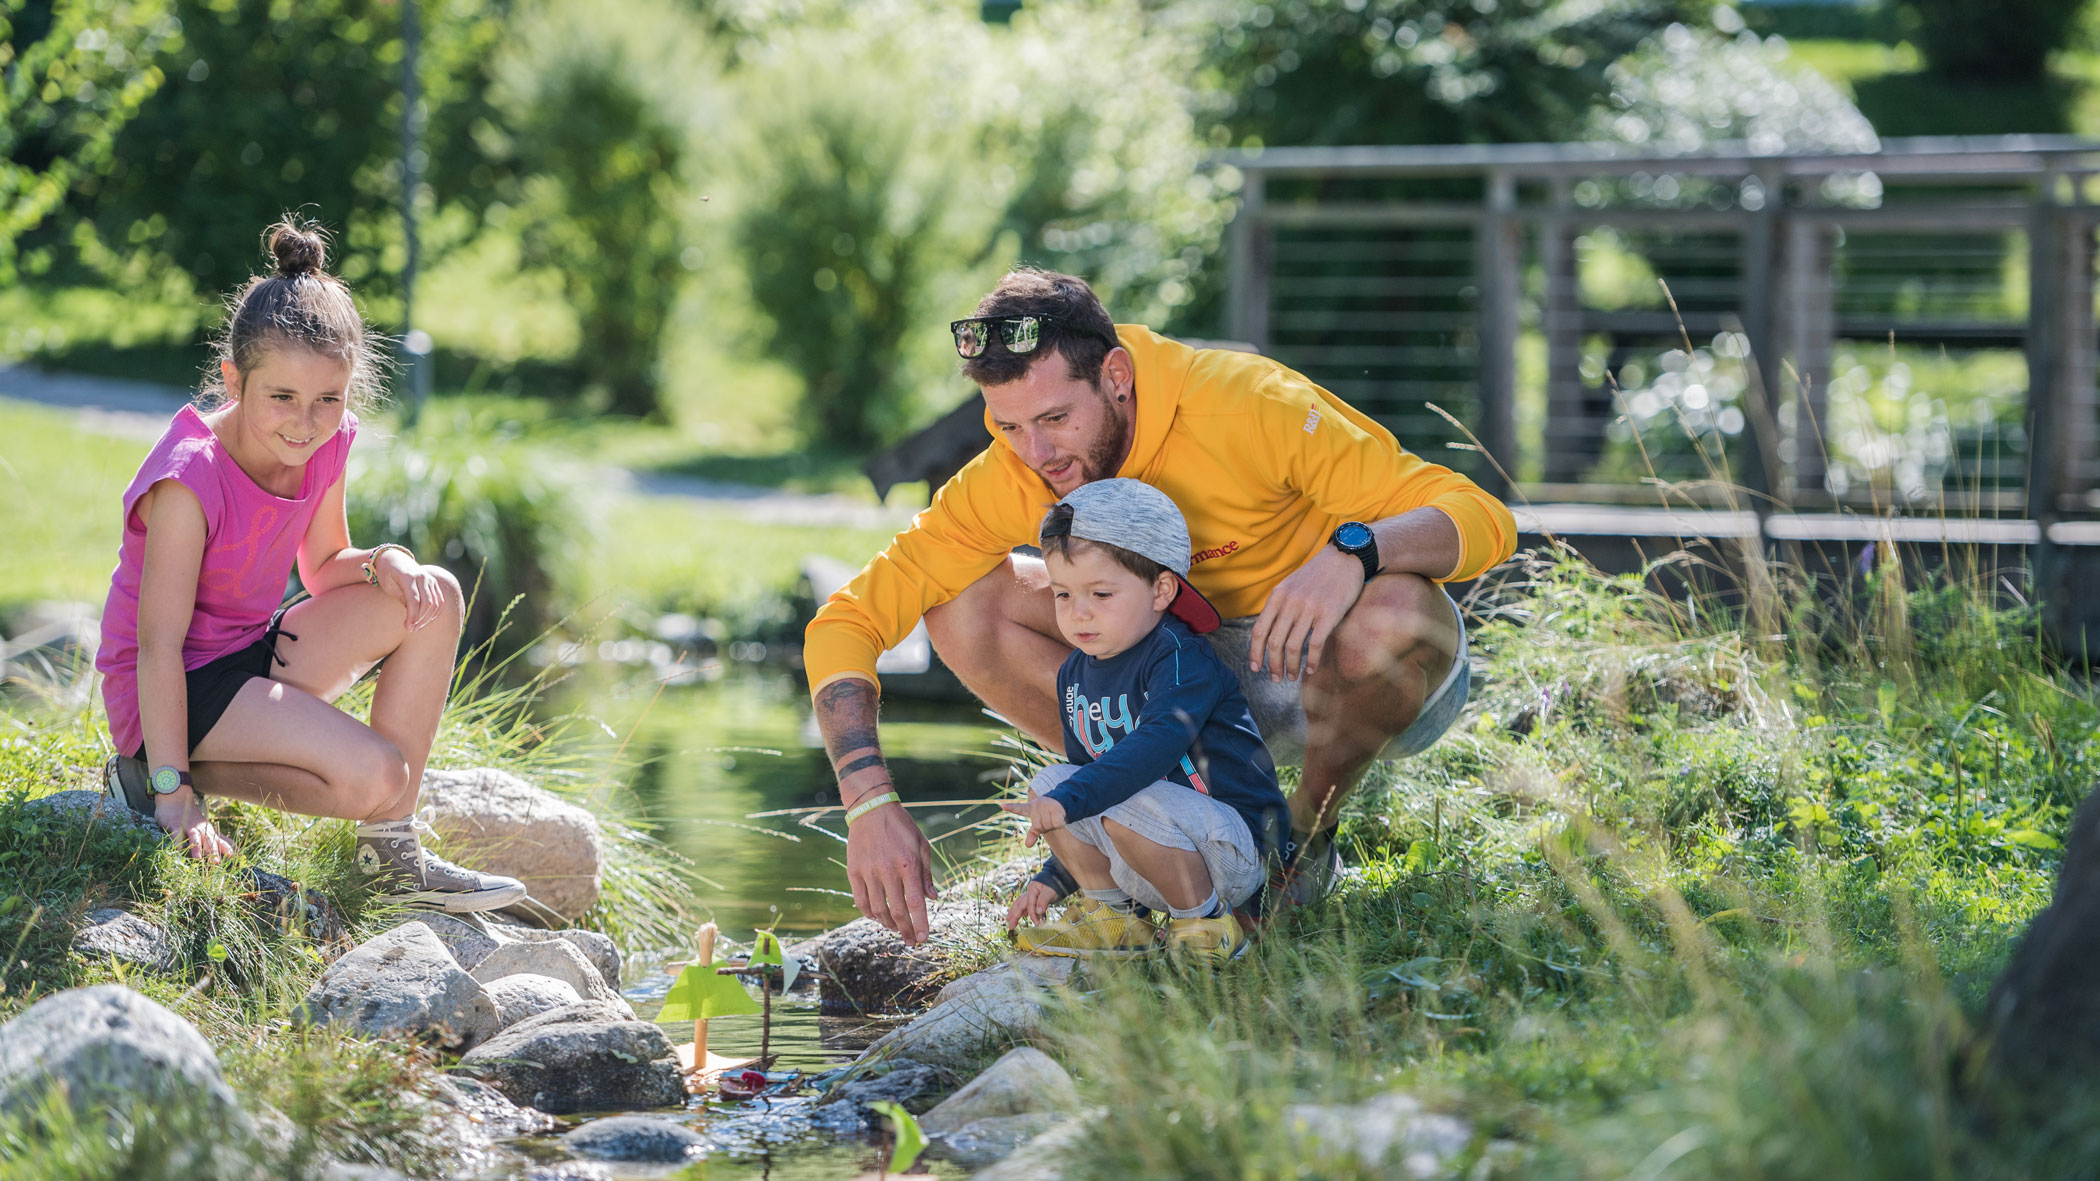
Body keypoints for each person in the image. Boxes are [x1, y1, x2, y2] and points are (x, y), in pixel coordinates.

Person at [809, 267, 1516, 945]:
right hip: (1184, 691)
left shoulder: (1247, 401)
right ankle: (1159, 828)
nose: (1038, 453)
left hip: (1347, 669)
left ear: (1116, 375)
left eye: (1056, 417)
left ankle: (1300, 842)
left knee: (1392, 609)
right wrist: (870, 801)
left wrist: (1352, 554)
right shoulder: (1013, 470)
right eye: (1010, 426)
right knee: (960, 603)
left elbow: (1481, 514)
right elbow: (847, 619)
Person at [94, 218, 527, 913]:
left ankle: (391, 856)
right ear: (234, 379)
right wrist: (177, 795)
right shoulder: (189, 478)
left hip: (250, 654)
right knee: (376, 774)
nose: (305, 423)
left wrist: (385, 561)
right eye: (282, 398)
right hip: (169, 685)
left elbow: (323, 564)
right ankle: (152, 775)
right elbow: (157, 646)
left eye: (329, 399)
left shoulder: (327, 441)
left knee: (435, 594)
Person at [996, 479, 1289, 965]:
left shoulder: (1180, 658)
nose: (1078, 613)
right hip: (1141, 846)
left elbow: (1154, 746)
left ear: (1161, 590)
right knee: (1052, 782)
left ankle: (1207, 925)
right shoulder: (1074, 673)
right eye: (1063, 594)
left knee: (1120, 801)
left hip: (1234, 851)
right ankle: (1116, 920)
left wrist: (1071, 799)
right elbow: (1086, 778)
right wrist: (1053, 876)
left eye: (1100, 593)